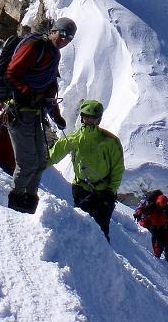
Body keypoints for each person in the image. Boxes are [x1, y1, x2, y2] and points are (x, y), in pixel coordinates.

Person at [4, 18, 74, 214]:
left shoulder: (54, 54)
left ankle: (30, 198)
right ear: (52, 31)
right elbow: (11, 73)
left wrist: (56, 115)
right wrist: (27, 92)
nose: (64, 39)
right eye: (61, 33)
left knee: (42, 160)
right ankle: (16, 199)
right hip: (18, 110)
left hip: (35, 113)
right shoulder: (35, 47)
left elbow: (50, 87)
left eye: (69, 37)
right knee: (27, 161)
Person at [49, 99, 125, 241]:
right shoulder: (74, 138)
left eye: (93, 117)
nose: (89, 120)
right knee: (82, 228)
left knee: (101, 231)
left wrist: (111, 191)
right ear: (82, 117)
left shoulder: (110, 142)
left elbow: (118, 168)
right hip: (81, 189)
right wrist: (33, 165)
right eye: (86, 116)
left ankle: (101, 258)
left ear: (99, 119)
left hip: (104, 192)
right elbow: (53, 156)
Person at [135, 194, 168, 261]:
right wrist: (138, 214)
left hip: (161, 228)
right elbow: (142, 210)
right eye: (161, 204)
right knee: (153, 241)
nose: (162, 205)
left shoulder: (167, 209)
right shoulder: (152, 206)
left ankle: (157, 258)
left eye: (164, 204)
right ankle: (154, 257)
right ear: (158, 202)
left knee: (160, 244)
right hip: (152, 227)